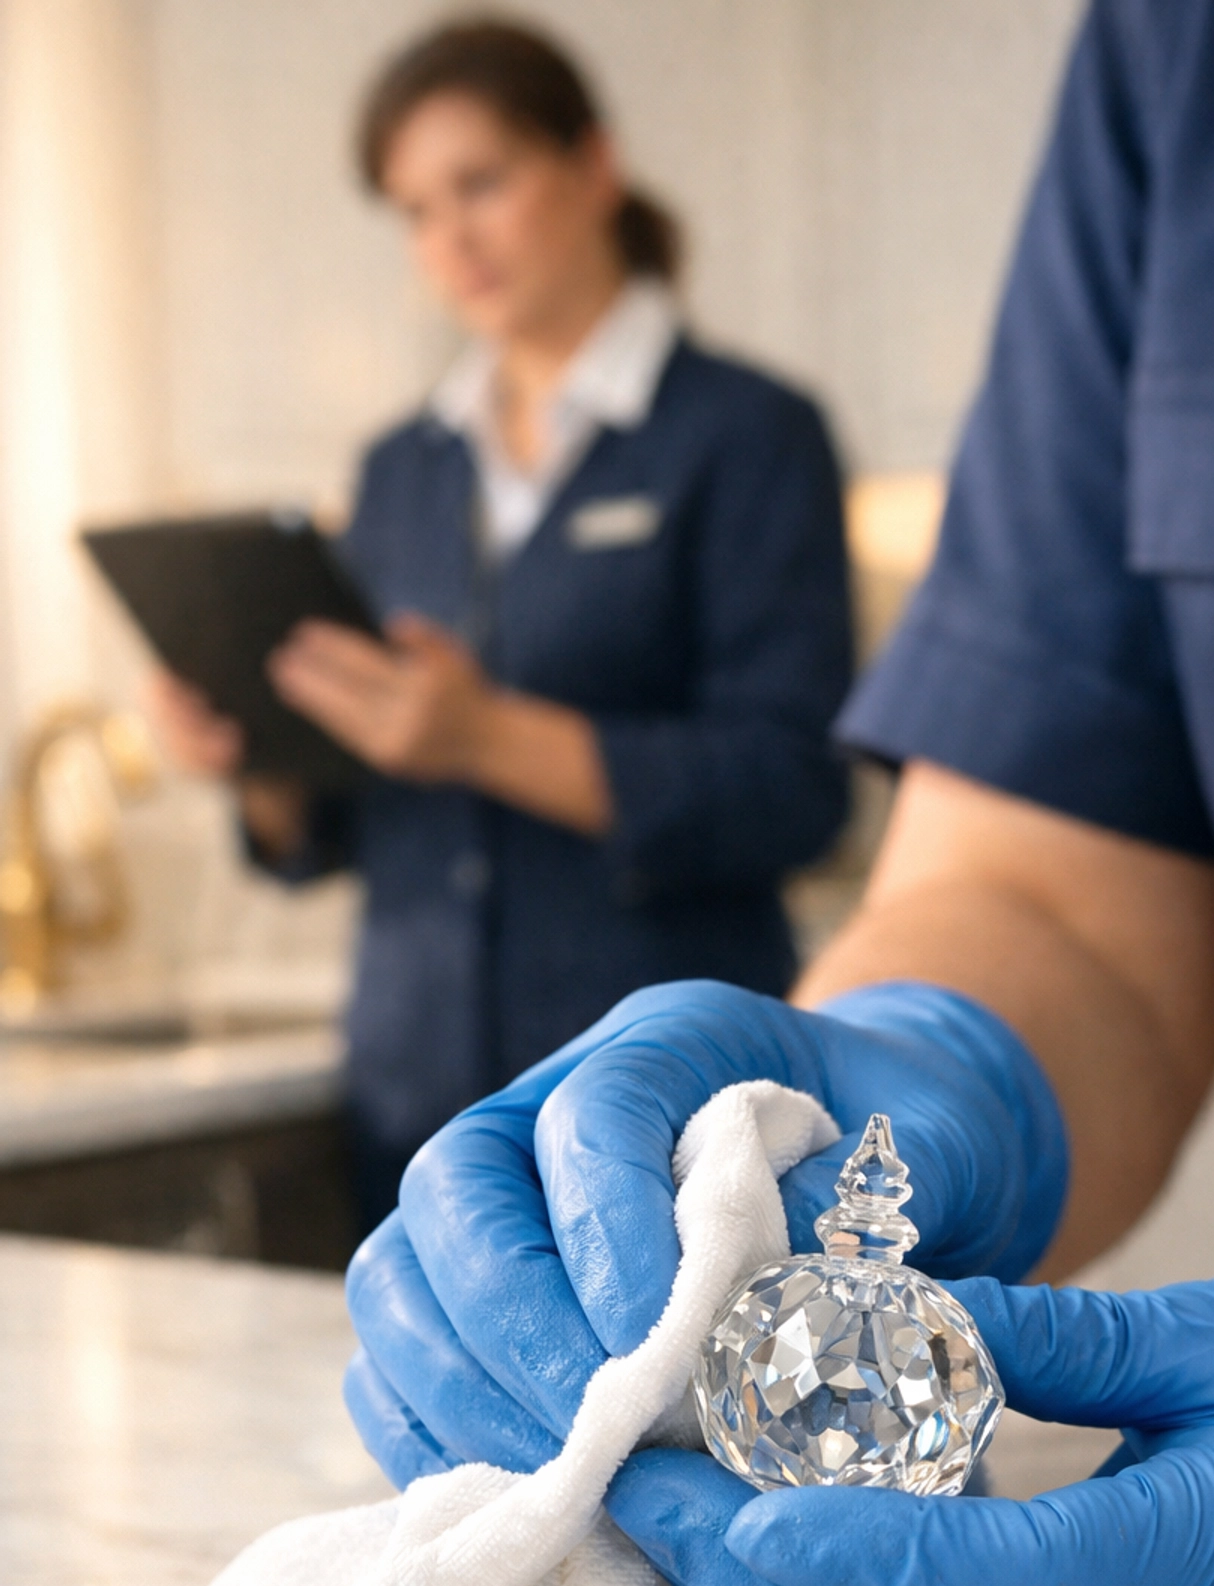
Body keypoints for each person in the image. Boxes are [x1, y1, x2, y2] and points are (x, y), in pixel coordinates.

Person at [337, 0, 1214, 1586]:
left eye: (483, 182)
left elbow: (769, 763)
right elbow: (1063, 880)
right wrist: (900, 1060)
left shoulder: (739, 434)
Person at [154, 16, 851, 1231]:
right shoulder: (401, 469)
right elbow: (363, 819)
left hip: (668, 1106)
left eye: (480, 183)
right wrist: (259, 757)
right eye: (416, 210)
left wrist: (486, 736)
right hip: (422, 1103)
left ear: (593, 163)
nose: (451, 238)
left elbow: (794, 788)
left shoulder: (747, 435)